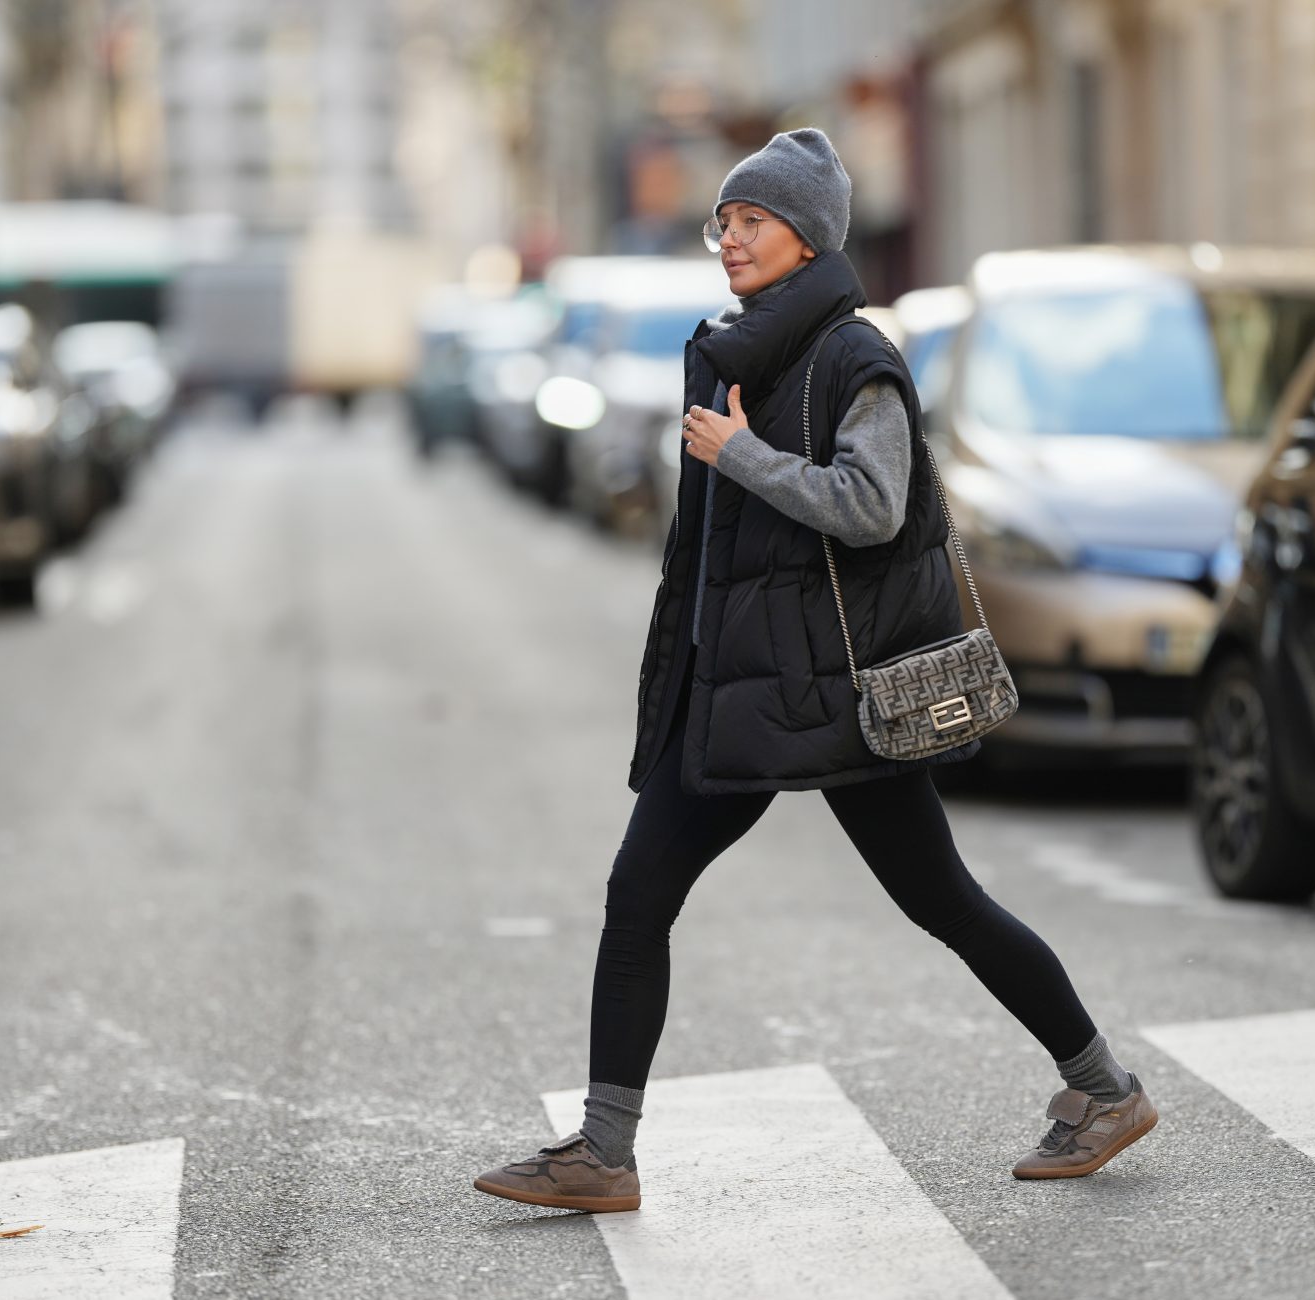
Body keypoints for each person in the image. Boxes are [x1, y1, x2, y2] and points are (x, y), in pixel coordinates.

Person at [474, 128, 1156, 1213]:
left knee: (940, 898)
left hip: (836, 691)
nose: (729, 238)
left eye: (753, 221)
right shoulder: (735, 352)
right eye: (724, 221)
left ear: (808, 238)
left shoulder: (852, 357)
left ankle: (1104, 1088)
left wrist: (739, 453)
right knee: (641, 891)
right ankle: (604, 1150)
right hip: (746, 686)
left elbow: (873, 506)